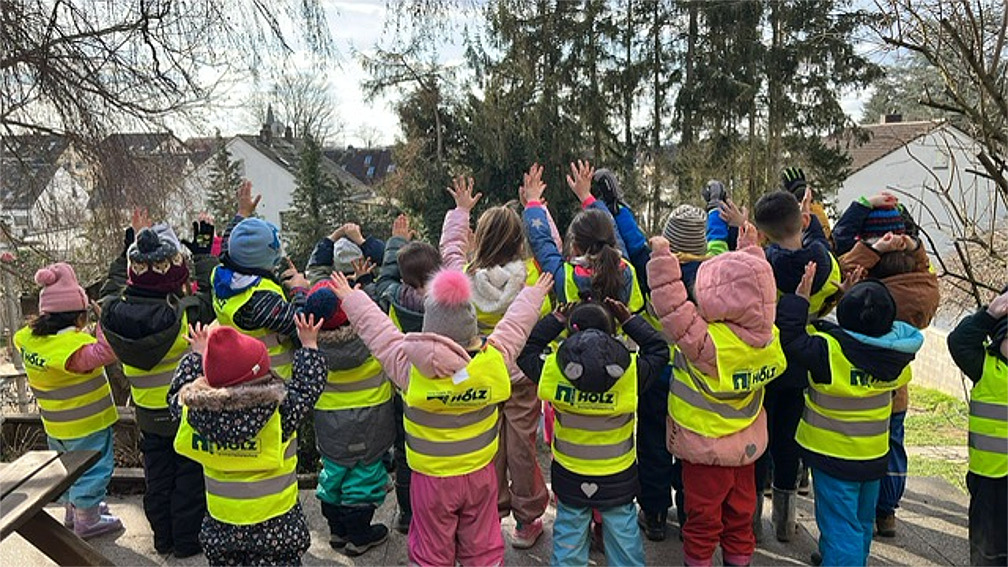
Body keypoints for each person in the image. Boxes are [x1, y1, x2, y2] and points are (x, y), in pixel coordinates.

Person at [333, 267, 552, 566]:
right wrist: (533, 295)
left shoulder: (408, 367)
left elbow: (379, 332)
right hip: (479, 473)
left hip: (431, 480)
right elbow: (514, 327)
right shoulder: (494, 361)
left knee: (432, 546)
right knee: (482, 543)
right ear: (471, 327)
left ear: (429, 329)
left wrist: (352, 298)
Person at [647, 227, 787, 567]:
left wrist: (662, 258)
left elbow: (672, 308)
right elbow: (755, 289)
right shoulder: (768, 337)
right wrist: (749, 251)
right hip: (746, 451)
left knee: (702, 521)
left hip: (705, 451)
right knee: (740, 518)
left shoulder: (707, 345)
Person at [779, 266, 922, 567]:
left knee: (839, 525)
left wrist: (800, 300)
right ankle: (844, 558)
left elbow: (790, 339)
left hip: (833, 456)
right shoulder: (895, 356)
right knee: (860, 519)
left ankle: (840, 559)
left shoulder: (828, 351)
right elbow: (862, 339)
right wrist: (850, 302)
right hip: (873, 455)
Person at [439, 170, 551, 549]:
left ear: (481, 239)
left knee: (488, 448)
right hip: (520, 379)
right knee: (521, 450)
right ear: (519, 242)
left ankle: (491, 513)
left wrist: (461, 211)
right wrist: (535, 206)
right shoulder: (533, 278)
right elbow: (550, 249)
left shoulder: (462, 279)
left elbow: (450, 250)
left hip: (481, 378)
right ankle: (527, 518)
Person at [517, 299, 669, 566]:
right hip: (618, 474)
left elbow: (526, 350)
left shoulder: (553, 371)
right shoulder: (631, 372)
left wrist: (555, 320)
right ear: (612, 333)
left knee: (569, 539)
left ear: (572, 332)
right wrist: (630, 320)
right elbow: (659, 349)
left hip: (570, 474)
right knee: (624, 538)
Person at [98, 213, 216, 556]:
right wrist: (204, 252)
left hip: (147, 414)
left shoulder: (112, 315)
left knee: (158, 478)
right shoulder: (187, 314)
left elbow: (109, 289)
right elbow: (211, 295)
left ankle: (163, 538)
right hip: (185, 411)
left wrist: (126, 251)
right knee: (189, 476)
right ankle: (187, 541)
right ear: (176, 276)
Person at [729, 188, 841, 542]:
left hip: (764, 361)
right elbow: (817, 244)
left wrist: (743, 231)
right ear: (803, 221)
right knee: (788, 442)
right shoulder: (826, 266)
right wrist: (808, 218)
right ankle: (785, 522)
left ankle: (751, 522)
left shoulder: (762, 267)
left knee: (758, 441)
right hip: (801, 361)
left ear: (763, 234)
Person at [169, 315, 327, 566]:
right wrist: (308, 345)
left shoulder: (195, 413)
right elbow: (308, 386)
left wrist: (196, 356)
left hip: (221, 525)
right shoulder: (281, 412)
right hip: (277, 525)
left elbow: (177, 393)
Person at [835, 193, 940, 537]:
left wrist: (872, 247)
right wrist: (914, 247)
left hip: (859, 392)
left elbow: (839, 266)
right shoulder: (919, 287)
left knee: (858, 455)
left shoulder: (867, 289)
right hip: (897, 390)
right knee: (893, 447)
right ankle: (887, 513)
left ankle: (856, 519)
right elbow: (926, 272)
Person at [13, 262, 122, 538]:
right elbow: (107, 353)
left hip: (56, 424)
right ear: (79, 317)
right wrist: (105, 322)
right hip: (87, 424)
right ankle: (88, 518)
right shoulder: (72, 350)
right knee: (94, 469)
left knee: (67, 469)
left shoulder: (30, 340)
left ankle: (74, 510)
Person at [302, 280, 394, 556]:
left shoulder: (309, 346)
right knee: (365, 475)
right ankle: (359, 534)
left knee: (333, 473)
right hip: (373, 421)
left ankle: (337, 530)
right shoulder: (371, 338)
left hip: (330, 424)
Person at [372, 213, 443, 533]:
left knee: (405, 453)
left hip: (405, 387)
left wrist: (396, 242)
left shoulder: (392, 294)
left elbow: (385, 278)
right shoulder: (447, 303)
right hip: (441, 386)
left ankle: (407, 515)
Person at [210, 180, 310, 378]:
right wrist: (299, 290)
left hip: (241, 370)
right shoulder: (261, 299)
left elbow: (228, 247)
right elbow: (300, 324)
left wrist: (242, 213)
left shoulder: (222, 275)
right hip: (272, 380)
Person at [523, 160, 643, 310]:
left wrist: (533, 202)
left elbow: (542, 243)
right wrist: (586, 196)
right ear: (612, 240)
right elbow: (611, 226)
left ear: (574, 247)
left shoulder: (566, 278)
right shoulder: (625, 268)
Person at [947, 287, 1007, 567]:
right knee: (987, 548)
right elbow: (958, 341)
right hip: (989, 480)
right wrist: (990, 314)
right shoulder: (985, 366)